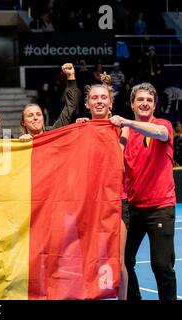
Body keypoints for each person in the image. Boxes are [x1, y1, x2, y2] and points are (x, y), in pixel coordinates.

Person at [109, 82, 177, 300]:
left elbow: (159, 133)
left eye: (149, 100)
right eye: (140, 99)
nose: (145, 103)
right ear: (132, 103)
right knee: (124, 262)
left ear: (155, 105)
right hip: (133, 208)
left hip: (160, 207)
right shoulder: (124, 134)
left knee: (161, 266)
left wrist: (127, 122)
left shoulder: (163, 124)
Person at [76, 73, 129, 300]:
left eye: (103, 98)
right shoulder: (79, 129)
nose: (99, 101)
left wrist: (108, 128)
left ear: (110, 102)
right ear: (87, 103)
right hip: (88, 204)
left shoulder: (122, 128)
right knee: (86, 258)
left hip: (116, 201)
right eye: (94, 98)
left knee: (118, 260)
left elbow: (118, 161)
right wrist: (82, 131)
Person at [18, 63, 78, 141]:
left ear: (43, 118)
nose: (35, 118)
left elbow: (71, 105)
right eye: (30, 115)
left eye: (39, 114)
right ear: (23, 122)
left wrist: (71, 76)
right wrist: (22, 144)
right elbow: (3, 150)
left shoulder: (53, 133)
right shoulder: (19, 144)